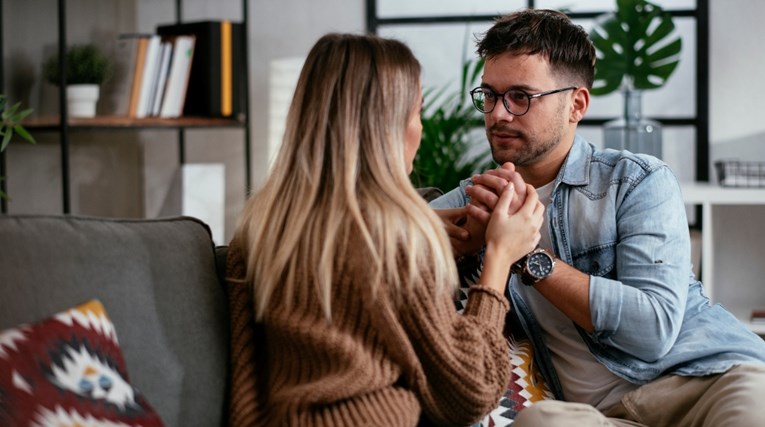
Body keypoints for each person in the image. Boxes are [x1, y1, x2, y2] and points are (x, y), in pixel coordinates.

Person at [430, 8, 765, 427]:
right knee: (541, 424)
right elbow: (369, 242)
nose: (498, 114)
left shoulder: (636, 182)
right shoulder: (472, 202)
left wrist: (526, 256)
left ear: (576, 105)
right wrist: (446, 241)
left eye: (520, 97)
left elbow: (654, 328)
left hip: (703, 382)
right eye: (490, 96)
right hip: (599, 417)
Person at [224, 32, 545, 427]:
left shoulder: (259, 227)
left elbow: (245, 379)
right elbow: (470, 392)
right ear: (386, 126)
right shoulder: (395, 239)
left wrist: (422, 233)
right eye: (417, 113)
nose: (421, 129)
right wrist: (499, 256)